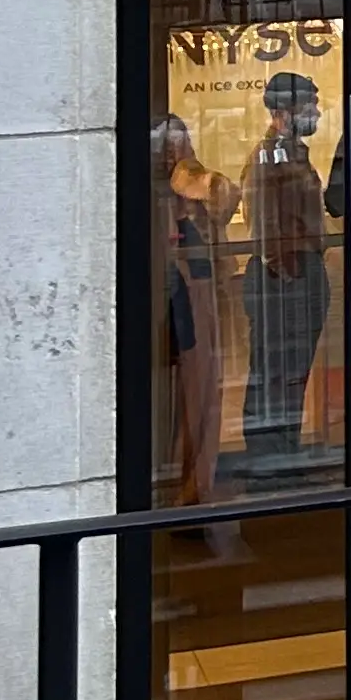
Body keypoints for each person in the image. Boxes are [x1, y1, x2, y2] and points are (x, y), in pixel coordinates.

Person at [238, 69, 330, 472]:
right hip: (282, 278)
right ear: (285, 110)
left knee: (294, 371)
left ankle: (285, 454)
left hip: (300, 272)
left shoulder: (294, 153)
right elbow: (265, 225)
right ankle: (267, 460)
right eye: (309, 104)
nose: (317, 111)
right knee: (274, 371)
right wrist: (289, 272)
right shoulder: (267, 156)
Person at [152, 113, 229, 509]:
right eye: (165, 149)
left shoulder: (198, 185)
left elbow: (223, 198)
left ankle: (195, 489)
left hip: (198, 301)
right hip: (169, 304)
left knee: (202, 398)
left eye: (177, 147)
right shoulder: (153, 197)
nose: (171, 157)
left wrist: (192, 185)